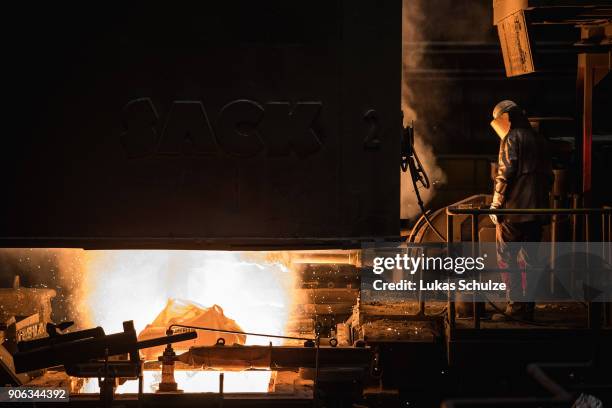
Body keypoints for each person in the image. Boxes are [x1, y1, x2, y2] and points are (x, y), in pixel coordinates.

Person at [488, 100, 553, 321]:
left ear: (506, 117)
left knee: (507, 257)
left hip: (514, 212)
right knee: (531, 260)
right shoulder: (540, 140)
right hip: (537, 213)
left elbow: (505, 172)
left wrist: (496, 203)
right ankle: (528, 310)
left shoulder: (512, 138)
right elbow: (549, 177)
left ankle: (515, 308)